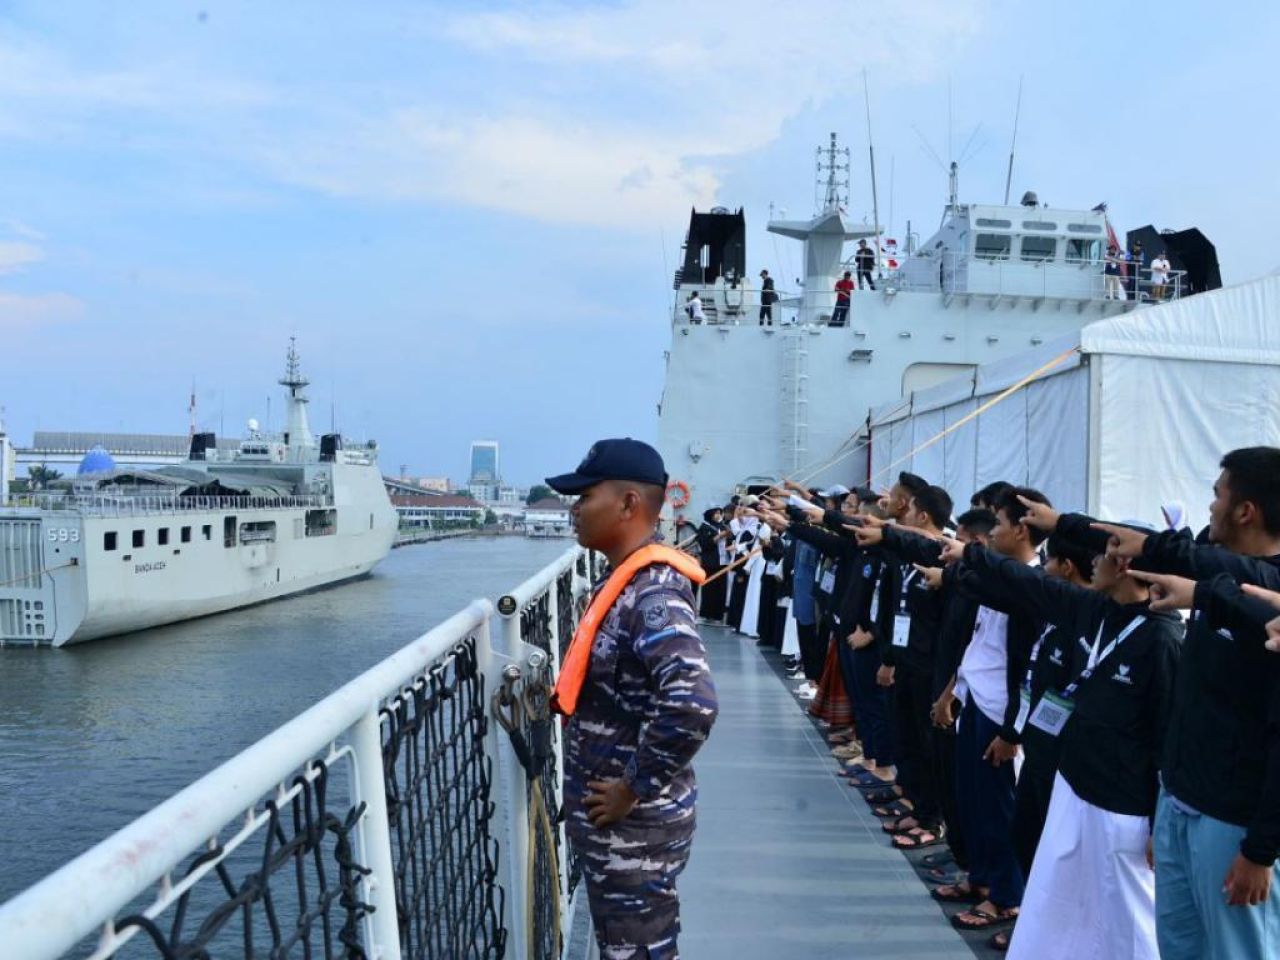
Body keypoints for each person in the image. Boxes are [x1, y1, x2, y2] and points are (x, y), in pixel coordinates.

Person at [956, 503, 1182, 960]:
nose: (1092, 562)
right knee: (1058, 895)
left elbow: (1170, 740)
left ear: (1124, 564)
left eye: (1101, 554)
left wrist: (1161, 824)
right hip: (1074, 783)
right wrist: (971, 555)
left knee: (1127, 912)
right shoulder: (1095, 609)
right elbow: (1028, 584)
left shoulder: (1162, 641)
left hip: (1124, 805)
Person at [1094, 447, 1280, 960]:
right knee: (1178, 947)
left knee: (1238, 950)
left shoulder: (1266, 597)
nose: (1211, 505)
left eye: (1218, 494)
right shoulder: (1215, 585)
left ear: (1246, 510)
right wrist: (1166, 806)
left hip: (1232, 824)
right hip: (1180, 800)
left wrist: (1260, 850)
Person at [546, 437, 719, 960]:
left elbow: (693, 702)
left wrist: (632, 788)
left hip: (635, 833)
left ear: (628, 504)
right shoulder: (625, 582)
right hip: (620, 834)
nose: (574, 509)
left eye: (585, 496)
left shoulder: (653, 594)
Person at [695, 507, 729, 621]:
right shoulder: (705, 527)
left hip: (723, 561)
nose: (718, 515)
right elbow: (705, 544)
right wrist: (719, 537)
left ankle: (719, 614)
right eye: (716, 513)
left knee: (721, 588)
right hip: (710, 562)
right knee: (709, 588)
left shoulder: (723, 526)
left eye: (720, 513)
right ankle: (707, 613)